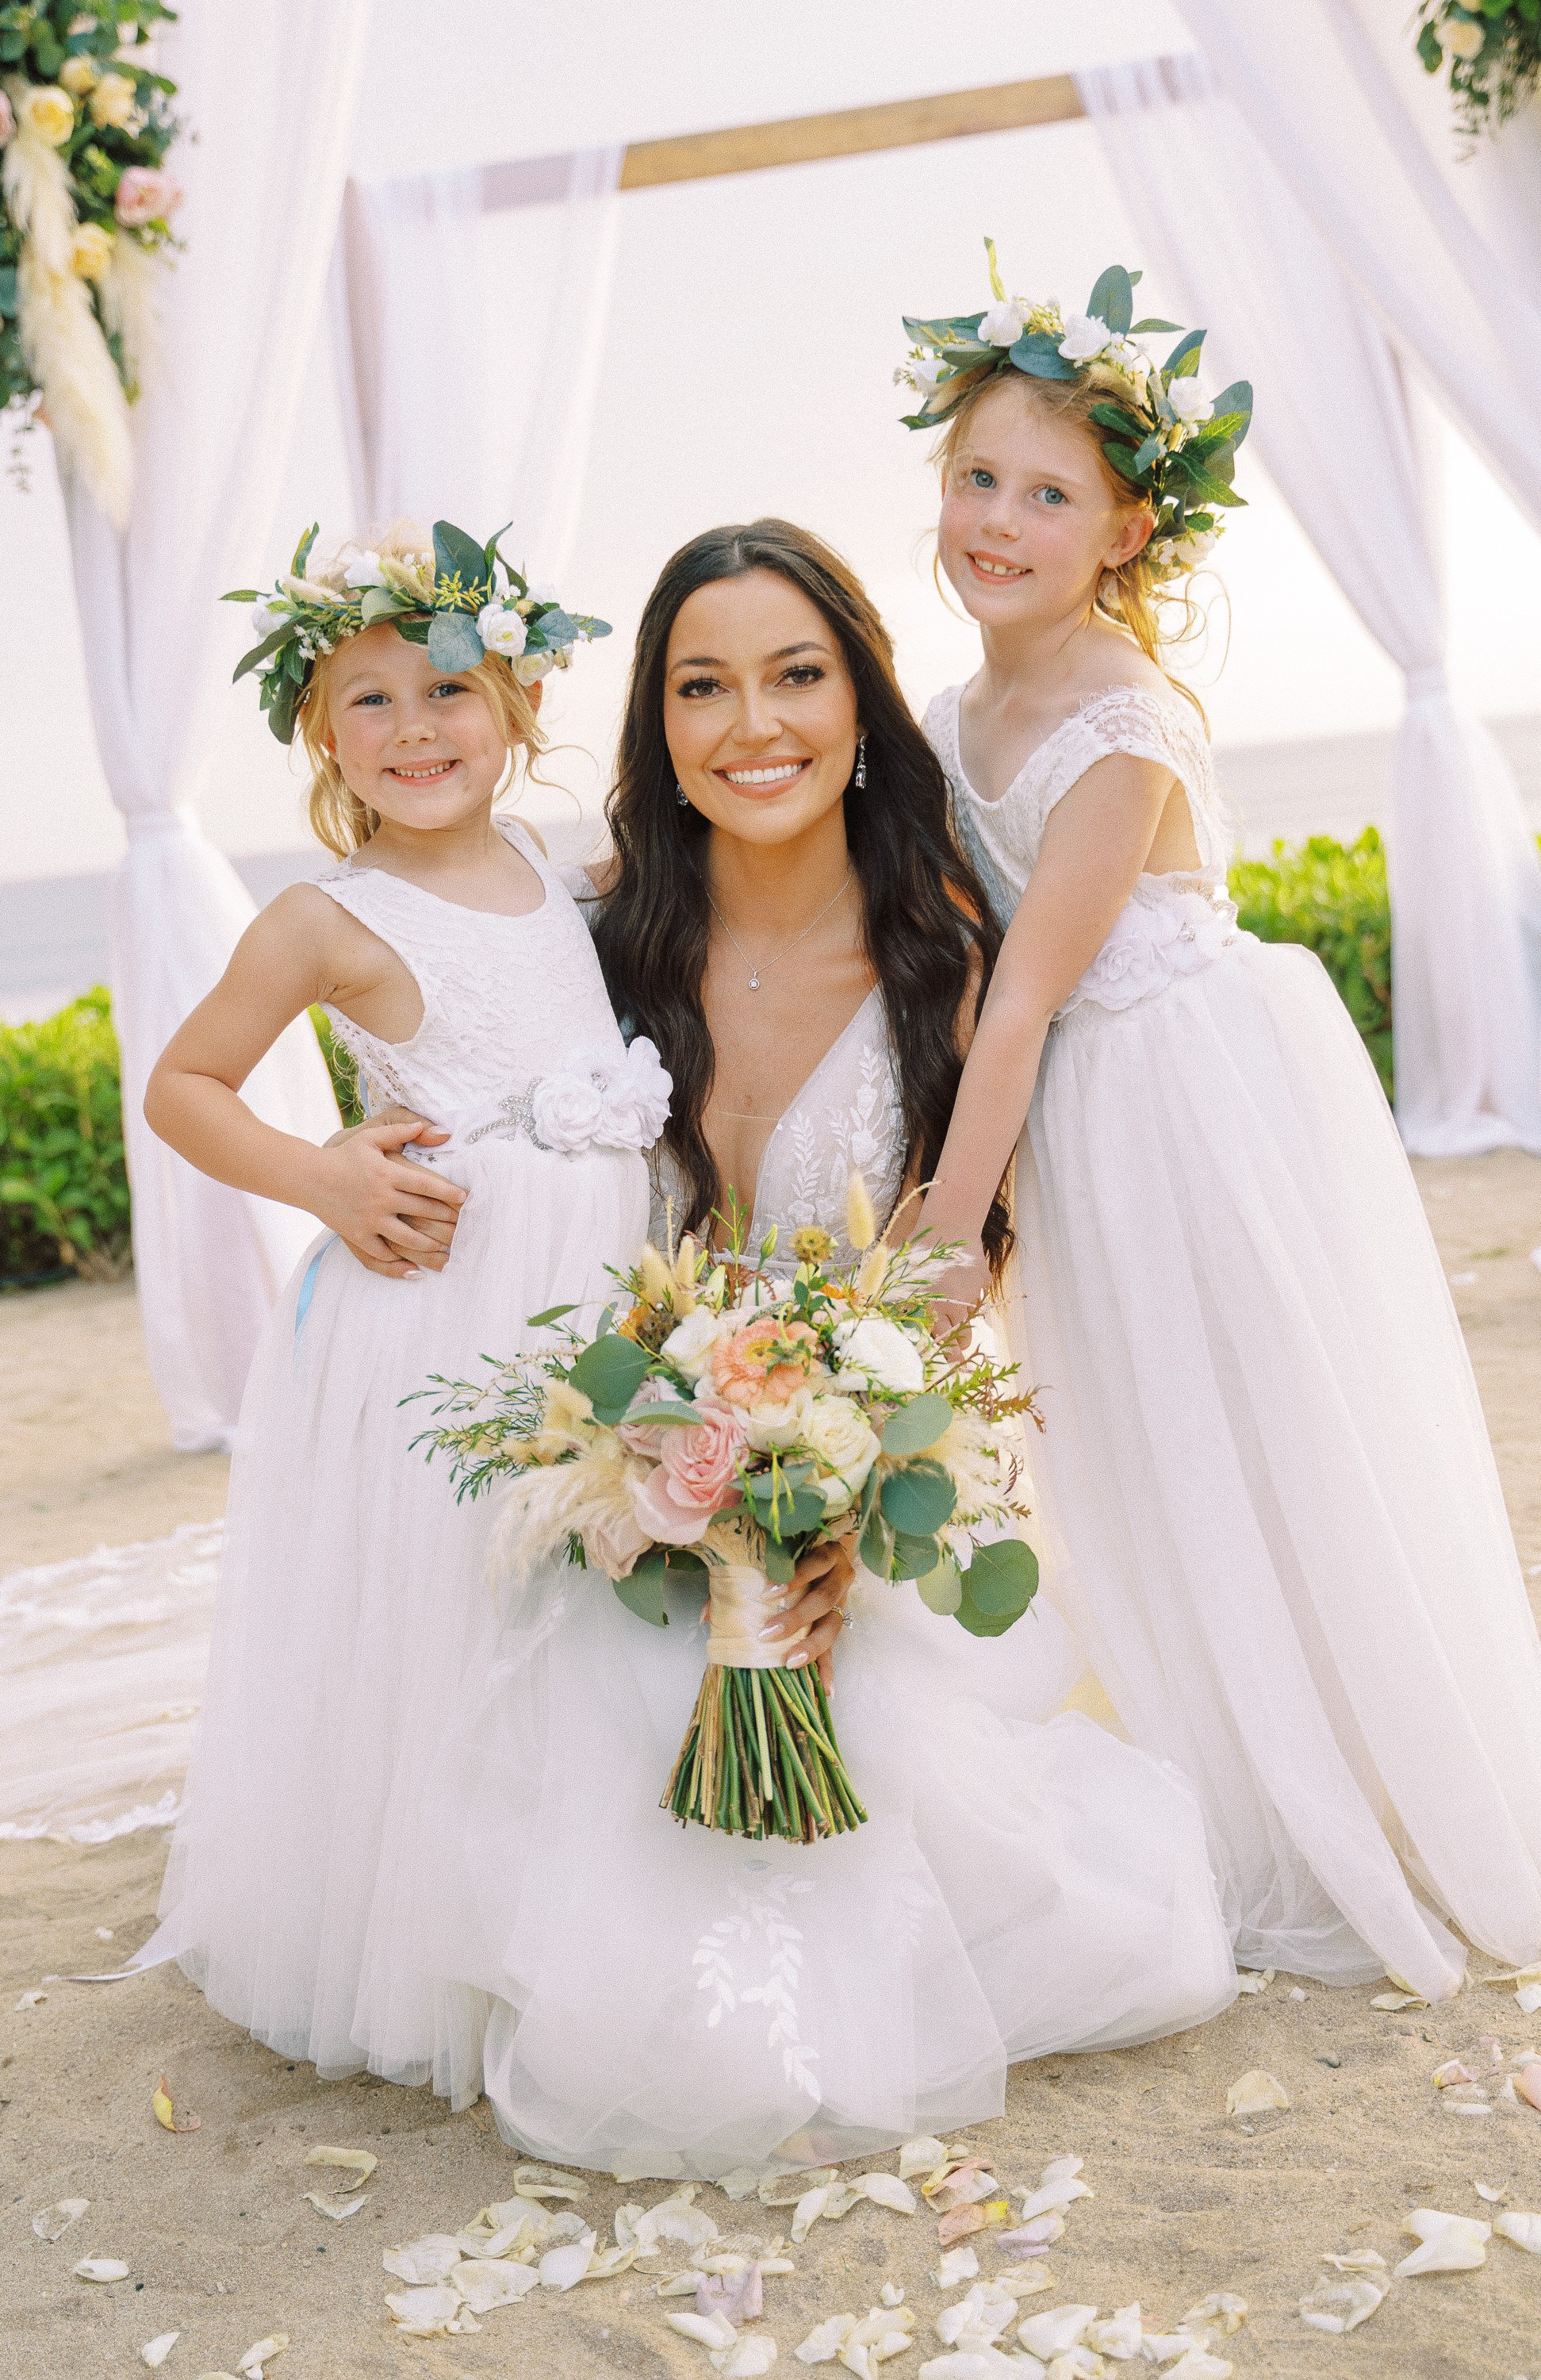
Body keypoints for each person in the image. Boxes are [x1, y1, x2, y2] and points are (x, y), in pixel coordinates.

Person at [368, 520, 1237, 2180]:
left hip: (865, 1486)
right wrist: (347, 1156)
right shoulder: (591, 941)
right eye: (702, 686)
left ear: (859, 704)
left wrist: (826, 1510)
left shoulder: (945, 954)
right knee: (595, 1709)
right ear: (656, 725)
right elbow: (436, 1051)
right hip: (634, 1475)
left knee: (924, 1778)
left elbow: (947, 1299)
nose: (752, 724)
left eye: (795, 675)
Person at [903, 251, 1541, 1998]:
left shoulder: (1121, 720)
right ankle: (1215, 1752)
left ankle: (1338, 1786)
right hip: (1082, 1107)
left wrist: (947, 1235)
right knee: (1130, 1431)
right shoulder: (953, 715)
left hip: (1184, 1096)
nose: (1000, 519)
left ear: (1126, 529)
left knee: (1249, 1427)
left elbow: (1023, 994)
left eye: (1049, 494)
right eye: (977, 477)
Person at [131, 519, 674, 2080]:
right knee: (464, 1599)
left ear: (518, 703)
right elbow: (184, 1087)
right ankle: (453, 1921)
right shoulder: (325, 919)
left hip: (594, 1288)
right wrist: (324, 1178)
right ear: (319, 732)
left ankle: (598, 1882)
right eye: (367, 700)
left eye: (447, 691)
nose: (413, 728)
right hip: (445, 1304)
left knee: (601, 1582)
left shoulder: (564, 872)